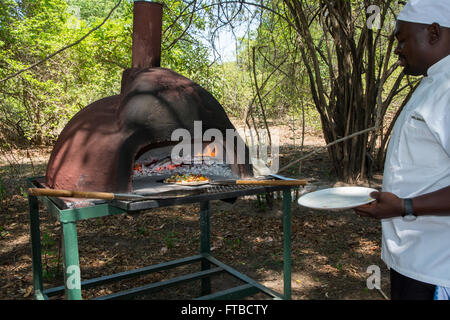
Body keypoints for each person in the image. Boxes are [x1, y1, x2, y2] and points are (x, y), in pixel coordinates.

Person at [354, 0, 450, 300]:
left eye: (401, 39)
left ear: (433, 33)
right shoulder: (432, 82)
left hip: (435, 265)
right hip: (413, 259)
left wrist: (404, 206)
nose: (397, 50)